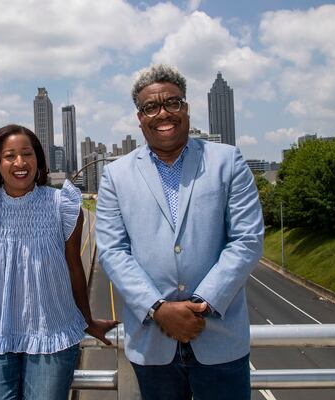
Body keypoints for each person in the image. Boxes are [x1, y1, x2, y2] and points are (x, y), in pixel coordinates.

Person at [95, 64, 264, 400]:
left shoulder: (227, 161)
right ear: (139, 117)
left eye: (172, 103)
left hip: (220, 339)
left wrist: (200, 305)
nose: (163, 114)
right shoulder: (116, 175)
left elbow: (246, 240)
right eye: (151, 107)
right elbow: (113, 251)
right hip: (152, 344)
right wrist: (159, 309)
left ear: (185, 108)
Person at [0, 124, 117, 400]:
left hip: (51, 332)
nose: (20, 162)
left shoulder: (62, 204)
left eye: (27, 153)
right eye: (9, 156)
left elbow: (74, 267)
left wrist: (88, 320)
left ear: (38, 160)